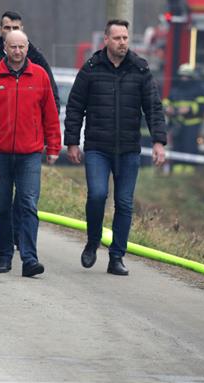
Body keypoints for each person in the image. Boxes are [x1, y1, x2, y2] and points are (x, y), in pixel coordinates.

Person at [64, 19, 167, 276]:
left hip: (129, 149)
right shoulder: (90, 69)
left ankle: (117, 256)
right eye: (118, 38)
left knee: (124, 203)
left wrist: (158, 142)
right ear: (106, 41)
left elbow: (153, 107)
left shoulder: (140, 69)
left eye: (125, 38)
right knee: (97, 195)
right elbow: (76, 107)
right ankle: (92, 240)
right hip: (98, 147)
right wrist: (73, 142)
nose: (123, 42)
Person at [0, 30, 61, 277]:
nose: (18, 51)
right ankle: (4, 256)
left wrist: (54, 146)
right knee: (1, 206)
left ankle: (30, 258)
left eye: (22, 47)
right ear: (5, 48)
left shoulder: (39, 76)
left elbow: (50, 115)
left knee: (28, 204)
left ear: (28, 47)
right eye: (13, 47)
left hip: (29, 153)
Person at [0, 10, 61, 247]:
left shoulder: (38, 63)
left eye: (16, 28)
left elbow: (51, 104)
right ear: (0, 31)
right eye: (7, 28)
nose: (12, 34)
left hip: (28, 146)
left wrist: (50, 142)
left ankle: (26, 249)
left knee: (27, 200)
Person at [164, 63, 204, 172]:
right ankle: (178, 172)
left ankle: (189, 173)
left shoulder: (198, 89)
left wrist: (189, 109)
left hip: (191, 124)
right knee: (177, 148)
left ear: (191, 77)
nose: (184, 78)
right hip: (177, 124)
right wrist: (166, 108)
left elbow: (202, 106)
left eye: (187, 76)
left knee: (190, 149)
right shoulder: (175, 89)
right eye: (182, 76)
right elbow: (167, 101)